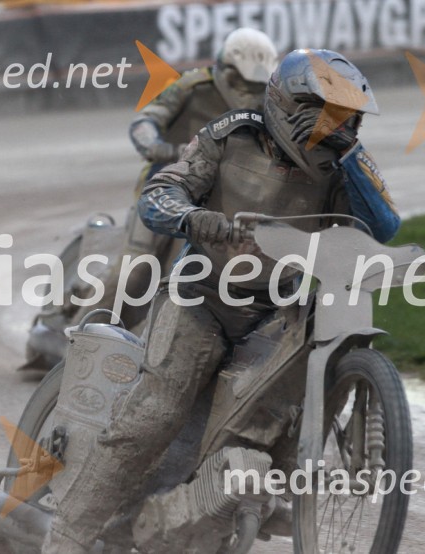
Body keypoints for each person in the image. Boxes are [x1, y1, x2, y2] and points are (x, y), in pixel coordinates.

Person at [42, 49, 400, 553]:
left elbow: (382, 227)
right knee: (154, 415)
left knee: (268, 423)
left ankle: (227, 505)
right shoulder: (231, 133)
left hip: (277, 314)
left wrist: (350, 159)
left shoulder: (344, 165)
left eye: (348, 117)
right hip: (200, 297)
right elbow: (160, 194)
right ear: (288, 103)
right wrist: (192, 218)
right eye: (329, 114)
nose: (339, 127)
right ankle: (67, 537)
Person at [25, 28, 278, 369]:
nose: (249, 92)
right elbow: (146, 120)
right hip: (167, 192)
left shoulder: (270, 104)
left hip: (224, 203)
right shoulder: (191, 88)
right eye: (244, 83)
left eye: (257, 86)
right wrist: (158, 146)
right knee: (136, 269)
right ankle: (76, 344)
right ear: (225, 70)